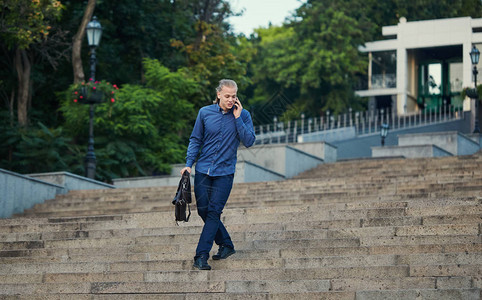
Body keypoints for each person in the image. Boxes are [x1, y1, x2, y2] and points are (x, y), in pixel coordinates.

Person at [180, 79, 256, 270]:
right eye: (227, 96)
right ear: (219, 94)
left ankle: (201, 255)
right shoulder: (204, 113)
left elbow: (249, 141)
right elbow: (196, 139)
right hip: (203, 170)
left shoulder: (243, 115)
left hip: (225, 173)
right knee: (203, 210)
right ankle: (227, 244)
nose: (231, 100)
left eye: (234, 96)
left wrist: (238, 118)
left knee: (214, 212)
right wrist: (188, 164)